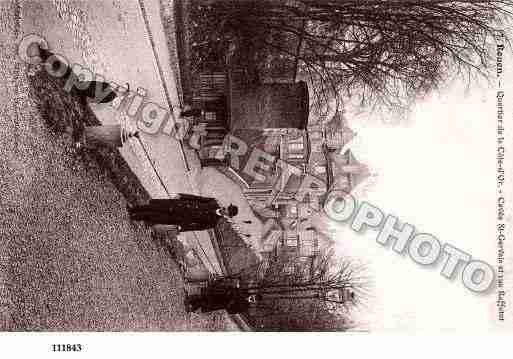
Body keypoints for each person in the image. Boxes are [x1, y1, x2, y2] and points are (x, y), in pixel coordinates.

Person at [127, 193, 238, 231]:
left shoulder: (213, 223)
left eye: (227, 212)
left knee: (157, 216)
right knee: (156, 207)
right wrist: (182, 195)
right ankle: (132, 210)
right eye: (226, 208)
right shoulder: (213, 202)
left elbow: (197, 227)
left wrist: (183, 228)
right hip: (179, 205)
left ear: (228, 215)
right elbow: (196, 198)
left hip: (180, 218)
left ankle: (135, 217)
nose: (224, 210)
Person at [185, 284, 262, 314]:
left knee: (207, 305)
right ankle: (190, 299)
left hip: (223, 304)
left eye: (254, 300)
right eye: (254, 297)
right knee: (205, 297)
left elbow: (233, 311)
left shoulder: (245, 306)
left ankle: (192, 308)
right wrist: (233, 295)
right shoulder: (245, 292)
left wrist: (230, 306)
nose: (253, 298)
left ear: (254, 302)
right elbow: (234, 289)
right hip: (222, 295)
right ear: (253, 294)